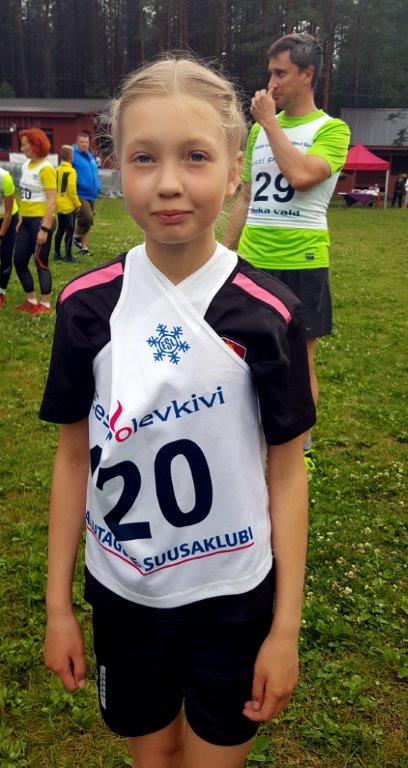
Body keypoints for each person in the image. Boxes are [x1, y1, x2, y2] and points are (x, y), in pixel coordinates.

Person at [41, 58, 315, 768]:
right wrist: (59, 606)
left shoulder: (268, 314)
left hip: (233, 595)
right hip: (124, 591)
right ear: (118, 166)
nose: (168, 182)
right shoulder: (85, 307)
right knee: (153, 754)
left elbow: (288, 472)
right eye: (144, 158)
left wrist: (285, 628)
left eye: (194, 156)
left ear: (233, 171)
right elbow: (71, 459)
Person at [224, 33, 350, 461]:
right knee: (242, 354)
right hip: (252, 260)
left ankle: (300, 450)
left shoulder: (331, 130)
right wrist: (226, 252)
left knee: (298, 361)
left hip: (302, 260)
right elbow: (245, 197)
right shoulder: (259, 132)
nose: (272, 82)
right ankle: (250, 441)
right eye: (270, 73)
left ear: (307, 73)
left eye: (281, 73)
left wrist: (271, 124)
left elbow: (301, 176)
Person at [12, 128, 57, 315]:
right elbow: (24, 195)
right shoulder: (25, 166)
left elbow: (52, 200)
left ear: (36, 145)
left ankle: (45, 304)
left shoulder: (46, 168)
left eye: (24, 145)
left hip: (41, 221)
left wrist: (44, 228)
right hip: (26, 221)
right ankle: (31, 300)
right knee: (19, 261)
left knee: (40, 262)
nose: (21, 148)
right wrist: (21, 218)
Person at [72, 132, 101, 256]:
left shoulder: (90, 156)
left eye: (86, 142)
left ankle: (83, 247)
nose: (84, 144)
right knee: (87, 217)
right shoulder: (73, 155)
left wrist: (98, 186)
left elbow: (94, 173)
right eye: (82, 142)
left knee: (89, 221)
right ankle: (76, 236)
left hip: (92, 193)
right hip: (80, 193)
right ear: (77, 143)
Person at [54, 145, 81, 263]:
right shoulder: (71, 171)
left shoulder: (57, 169)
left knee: (60, 229)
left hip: (59, 204)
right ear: (71, 157)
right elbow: (71, 189)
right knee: (70, 231)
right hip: (68, 206)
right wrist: (77, 204)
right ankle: (68, 255)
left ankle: (57, 253)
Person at [0, 166, 19, 308]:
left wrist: (1, 235)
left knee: (5, 255)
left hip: (8, 217)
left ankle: (1, 292)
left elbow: (8, 212)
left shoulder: (5, 178)